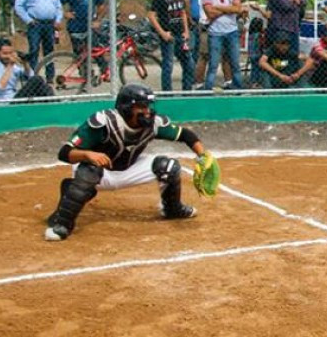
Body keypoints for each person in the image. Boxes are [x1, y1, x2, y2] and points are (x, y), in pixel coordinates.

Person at [42, 83, 211, 241]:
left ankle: (172, 209)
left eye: (148, 107)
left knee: (169, 167)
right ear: (127, 108)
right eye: (141, 107)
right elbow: (64, 153)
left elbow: (186, 136)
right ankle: (62, 224)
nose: (147, 112)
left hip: (128, 170)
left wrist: (202, 156)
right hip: (100, 172)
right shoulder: (104, 122)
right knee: (90, 171)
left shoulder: (154, 124)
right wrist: (87, 155)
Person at [147, 0, 195, 91]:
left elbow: (183, 12)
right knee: (168, 65)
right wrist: (162, 33)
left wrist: (186, 31)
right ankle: (167, 92)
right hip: (169, 35)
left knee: (188, 63)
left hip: (180, 34)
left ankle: (187, 90)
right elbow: (151, 15)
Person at [13, 0, 64, 82]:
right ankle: (32, 75)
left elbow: (58, 7)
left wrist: (58, 20)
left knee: (49, 51)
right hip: (35, 24)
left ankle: (50, 77)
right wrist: (28, 20)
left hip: (50, 24)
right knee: (34, 49)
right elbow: (18, 6)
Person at [199, 0, 244, 91]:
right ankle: (207, 91)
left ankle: (239, 90)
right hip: (215, 34)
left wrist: (218, 7)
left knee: (235, 64)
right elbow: (210, 14)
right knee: (213, 65)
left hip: (232, 33)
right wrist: (228, 8)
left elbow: (238, 9)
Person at [59, 0, 107, 74]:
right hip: (75, 27)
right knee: (79, 54)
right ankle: (85, 76)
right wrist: (64, 13)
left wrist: (98, 20)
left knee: (96, 49)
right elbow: (56, 3)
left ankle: (104, 71)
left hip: (90, 26)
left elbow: (102, 5)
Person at [0, 37, 54, 101]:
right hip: (2, 101)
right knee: (37, 79)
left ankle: (56, 105)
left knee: (45, 87)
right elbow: (0, 86)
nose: (9, 56)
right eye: (5, 53)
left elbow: (29, 77)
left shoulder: (12, 65)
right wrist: (10, 65)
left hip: (14, 97)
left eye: (10, 53)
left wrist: (25, 63)